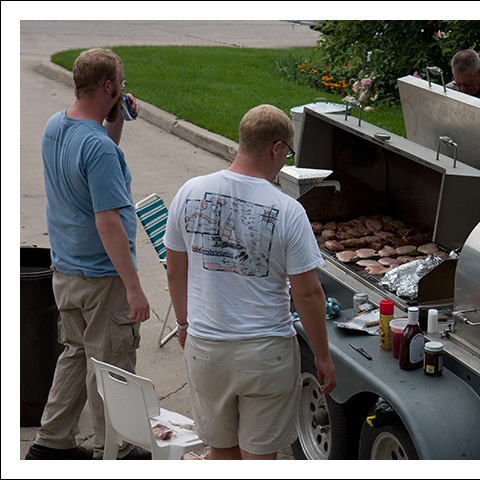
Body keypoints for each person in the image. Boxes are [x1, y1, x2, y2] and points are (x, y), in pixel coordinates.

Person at [164, 104, 337, 460]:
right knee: (258, 459)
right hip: (265, 354)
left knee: (222, 454)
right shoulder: (288, 210)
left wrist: (183, 322)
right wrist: (322, 355)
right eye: (287, 154)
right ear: (276, 149)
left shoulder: (189, 191)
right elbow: (307, 293)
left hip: (206, 347)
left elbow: (175, 270)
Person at [25, 48, 151, 461]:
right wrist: (134, 288)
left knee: (77, 354)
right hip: (102, 277)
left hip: (66, 271)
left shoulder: (56, 126)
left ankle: (51, 443)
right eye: (122, 83)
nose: (124, 88)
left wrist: (114, 115)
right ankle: (117, 451)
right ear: (110, 86)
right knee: (112, 365)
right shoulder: (98, 149)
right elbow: (108, 222)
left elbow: (97, 148)